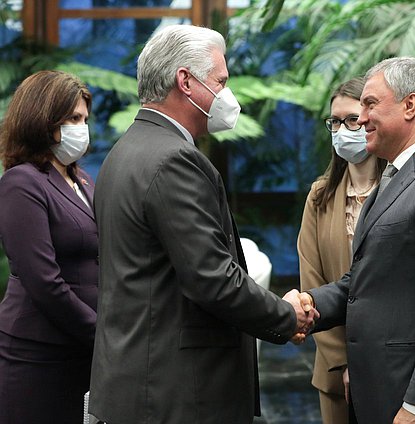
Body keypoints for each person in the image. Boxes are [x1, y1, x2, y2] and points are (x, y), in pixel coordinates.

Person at [88, 24, 316, 424]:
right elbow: (212, 278)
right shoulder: (174, 160)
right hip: (175, 394)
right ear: (186, 81)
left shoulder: (125, 151)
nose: (228, 94)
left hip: (139, 384)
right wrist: (285, 314)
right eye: (221, 80)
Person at [299, 57, 415, 424]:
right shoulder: (394, 177)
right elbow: (364, 283)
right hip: (378, 396)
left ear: (410, 106)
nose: (362, 117)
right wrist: (309, 303)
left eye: (370, 104)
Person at [0, 70, 97, 423]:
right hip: (38, 354)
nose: (81, 128)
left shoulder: (81, 179)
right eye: (72, 118)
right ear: (43, 119)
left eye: (84, 118)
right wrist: (101, 331)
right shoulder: (22, 182)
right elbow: (43, 281)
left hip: (80, 352)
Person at [297, 77, 386, 424]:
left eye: (351, 120)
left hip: (390, 363)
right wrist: (344, 361)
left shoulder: (401, 190)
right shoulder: (320, 197)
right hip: (335, 369)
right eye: (334, 122)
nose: (342, 129)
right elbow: (312, 281)